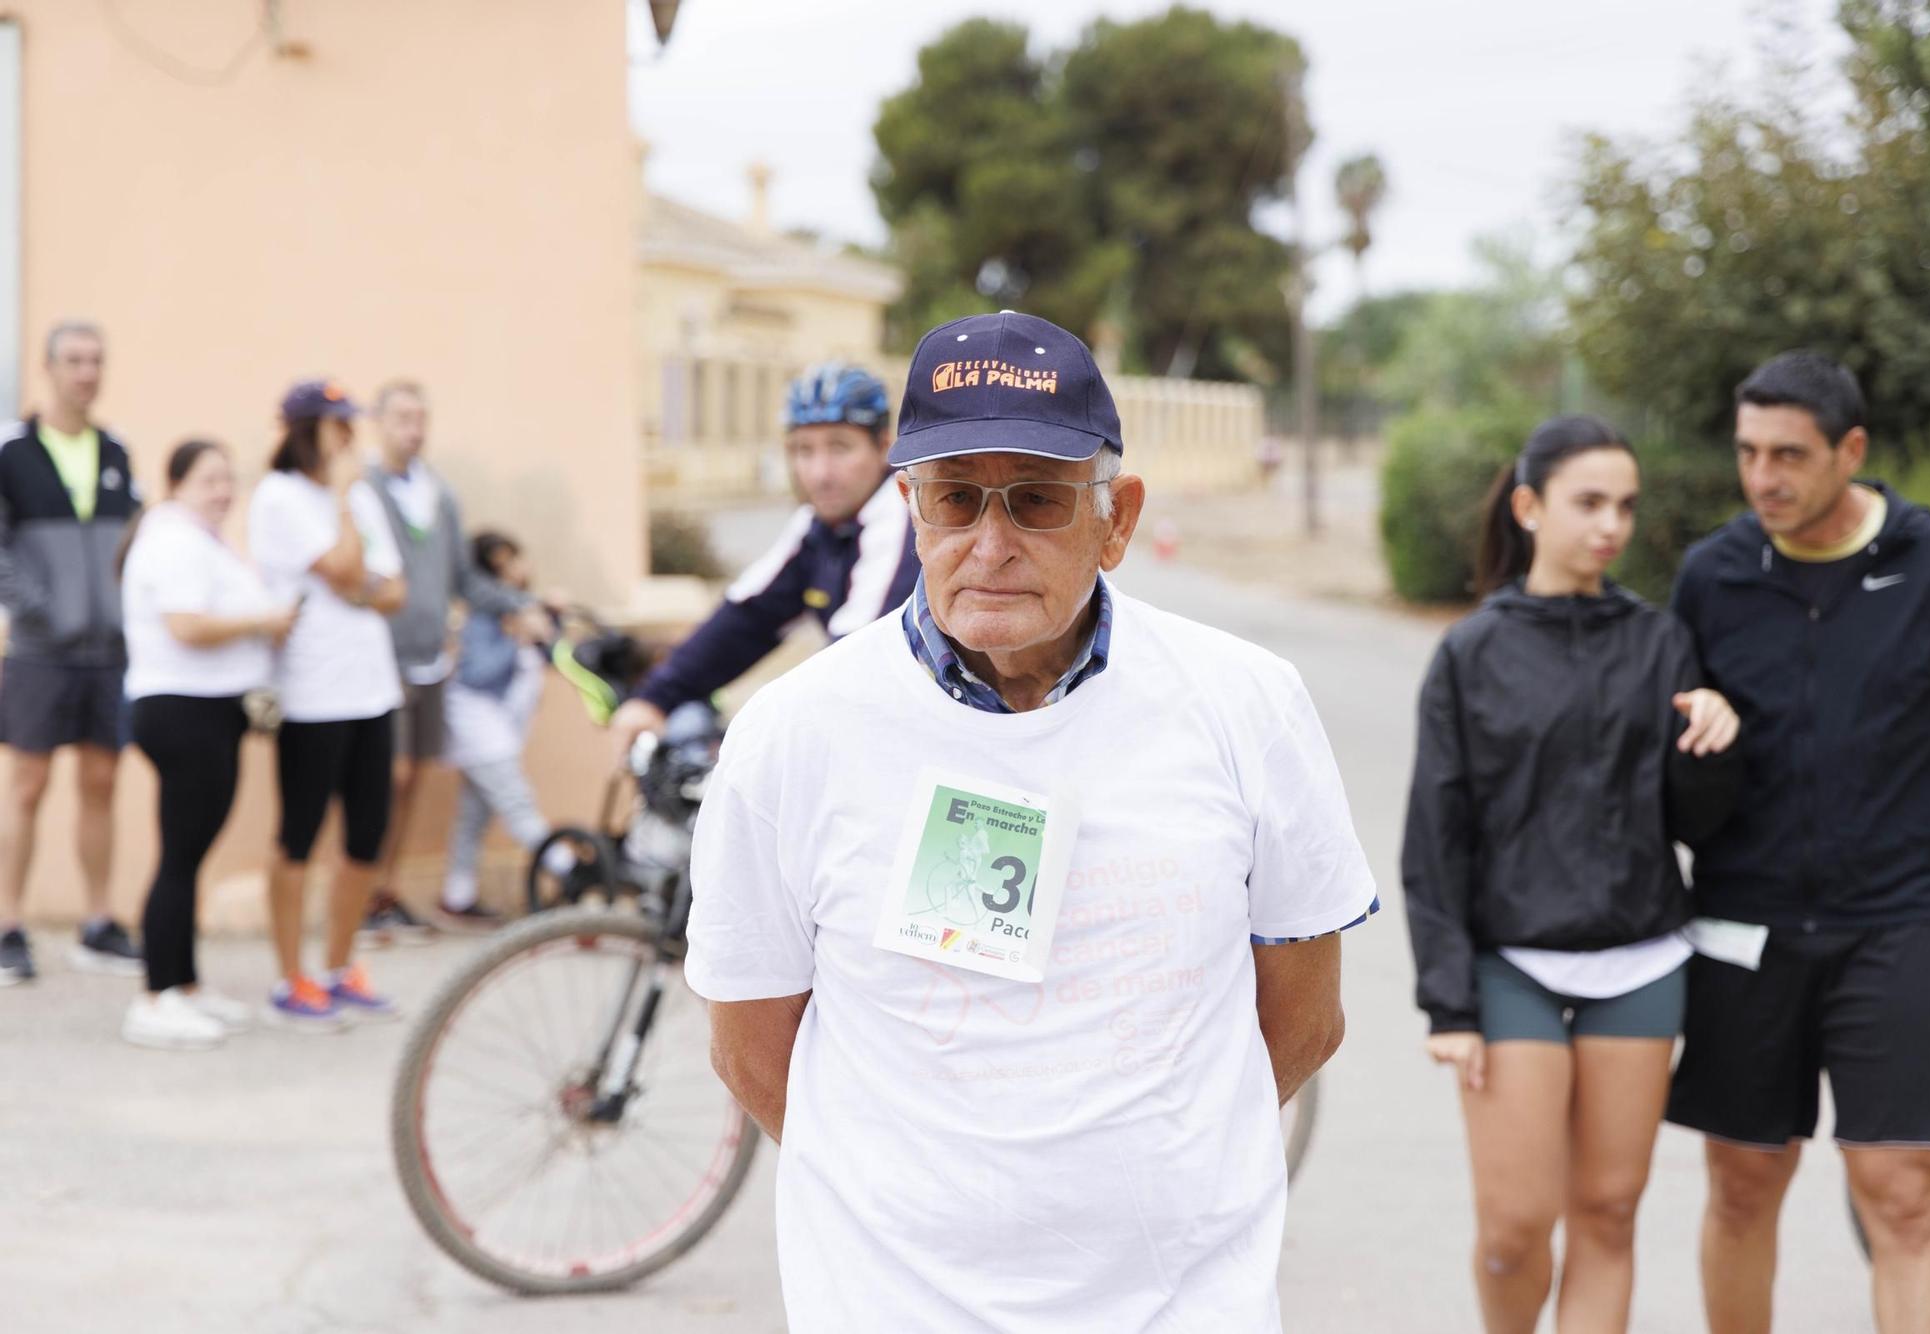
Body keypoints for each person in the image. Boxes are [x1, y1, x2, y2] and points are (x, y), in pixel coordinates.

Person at [685, 311, 1379, 1332]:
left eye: (1037, 500)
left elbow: (1303, 1019)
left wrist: (1152, 1172)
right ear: (909, 506)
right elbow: (751, 1045)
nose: (991, 544)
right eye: (957, 498)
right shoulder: (792, 736)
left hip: (1181, 1305)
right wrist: (923, 1206)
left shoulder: (1247, 704)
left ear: (1117, 517)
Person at [1666, 351, 1930, 1334]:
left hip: (1894, 921)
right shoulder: (1711, 574)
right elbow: (1678, 742)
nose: (1761, 476)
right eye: (1746, 452)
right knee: (1739, 1183)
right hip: (1741, 920)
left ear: (1848, 450)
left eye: (1788, 454)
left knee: (1900, 1193)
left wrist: (1891, 825)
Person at [1401, 415, 1744, 1334]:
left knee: (1609, 1212)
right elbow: (1436, 840)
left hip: (1641, 961)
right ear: (1529, 506)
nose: (1612, 525)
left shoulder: (1659, 641)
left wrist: (1712, 741)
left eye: (1626, 506)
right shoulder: (1472, 652)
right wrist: (1450, 1002)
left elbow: (1697, 824)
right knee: (1515, 1230)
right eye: (1589, 502)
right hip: (1511, 964)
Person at [605, 362, 917, 762]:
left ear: (883, 447)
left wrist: (758, 742)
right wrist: (653, 700)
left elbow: (856, 656)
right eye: (803, 450)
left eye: (840, 447)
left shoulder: (899, 513)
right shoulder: (818, 526)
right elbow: (747, 617)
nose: (820, 473)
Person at [118, 440, 299, 1049]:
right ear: (175, 485)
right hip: (181, 709)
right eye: (208, 480)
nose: (222, 491)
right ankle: (155, 997)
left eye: (228, 480)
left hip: (211, 711)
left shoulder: (202, 539)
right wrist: (263, 622)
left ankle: (185, 986)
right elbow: (186, 625)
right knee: (178, 857)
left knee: (188, 856)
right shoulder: (172, 539)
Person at [247, 380, 408, 1030]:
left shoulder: (360, 498)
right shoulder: (282, 498)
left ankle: (341, 967)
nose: (348, 437)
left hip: (372, 690)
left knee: (366, 837)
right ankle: (293, 978)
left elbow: (393, 591)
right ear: (302, 430)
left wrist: (358, 581)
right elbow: (346, 571)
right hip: (313, 696)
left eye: (350, 424)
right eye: (335, 425)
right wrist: (346, 513)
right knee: (299, 837)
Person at [360, 380, 540, 945]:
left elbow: (464, 580)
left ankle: (384, 892)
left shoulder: (439, 493)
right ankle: (363, 894)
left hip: (431, 660)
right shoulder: (363, 489)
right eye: (402, 418)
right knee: (381, 778)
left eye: (420, 418)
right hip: (377, 659)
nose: (413, 429)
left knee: (412, 776)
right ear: (379, 423)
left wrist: (521, 605)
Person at [0, 321, 145, 984]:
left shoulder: (117, 450)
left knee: (102, 783)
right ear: (49, 369)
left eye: (97, 360)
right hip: (39, 652)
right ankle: (7, 925)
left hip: (108, 652)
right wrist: (39, 608)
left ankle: (98, 922)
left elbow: (134, 544)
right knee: (27, 786)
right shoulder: (14, 453)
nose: (87, 372)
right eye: (75, 361)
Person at [436, 530, 566, 924]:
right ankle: (572, 873)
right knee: (517, 805)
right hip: (478, 725)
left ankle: (457, 896)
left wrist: (546, 619)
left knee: (474, 813)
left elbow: (553, 651)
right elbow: (477, 674)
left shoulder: (520, 611)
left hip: (499, 728)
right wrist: (515, 638)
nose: (517, 570)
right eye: (505, 563)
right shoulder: (483, 619)